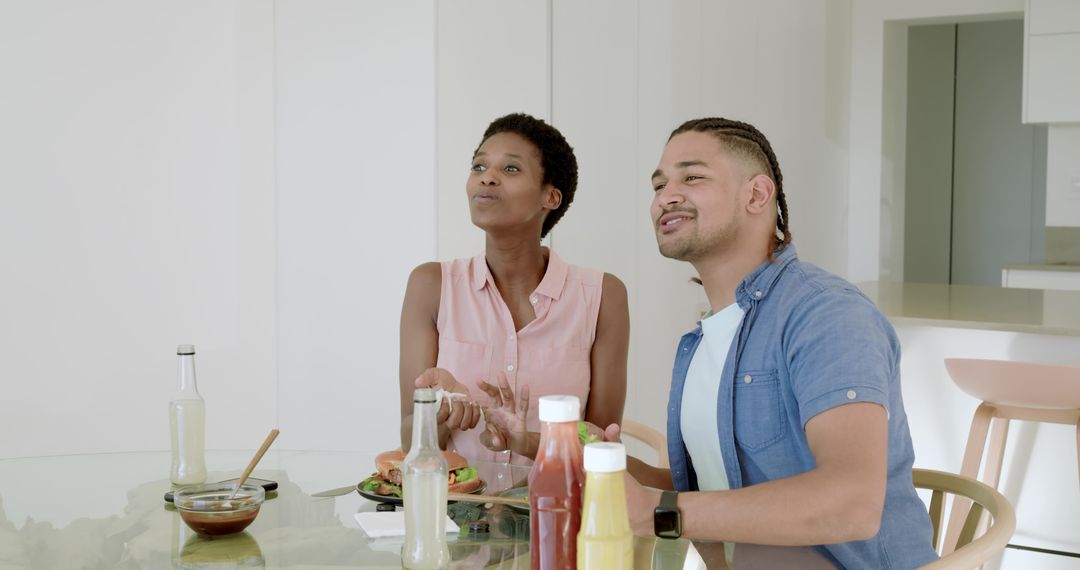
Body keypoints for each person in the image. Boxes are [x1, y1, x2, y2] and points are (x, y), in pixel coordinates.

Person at [617, 117, 937, 568]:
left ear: (756, 194)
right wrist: (579, 458)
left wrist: (661, 512)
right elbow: (723, 486)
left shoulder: (826, 315)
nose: (666, 195)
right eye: (658, 184)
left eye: (692, 177)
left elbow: (851, 503)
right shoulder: (705, 337)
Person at [398, 113, 629, 464]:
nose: (486, 178)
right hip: (454, 512)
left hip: (557, 510)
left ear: (550, 197)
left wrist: (526, 441)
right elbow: (408, 437)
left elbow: (602, 438)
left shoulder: (602, 295)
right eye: (479, 166)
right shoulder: (430, 285)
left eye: (510, 170)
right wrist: (440, 411)